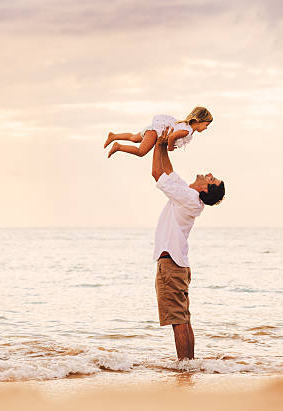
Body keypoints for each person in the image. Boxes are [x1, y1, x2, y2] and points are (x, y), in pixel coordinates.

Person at [151, 129, 225, 360]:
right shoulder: (188, 195)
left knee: (178, 320)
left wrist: (156, 139)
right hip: (177, 264)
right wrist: (163, 145)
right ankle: (188, 364)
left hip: (171, 265)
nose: (209, 174)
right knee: (183, 317)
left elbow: (156, 173)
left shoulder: (188, 198)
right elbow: (168, 172)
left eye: (212, 179)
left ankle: (185, 366)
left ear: (205, 188)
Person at [104, 107, 213, 158]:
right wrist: (170, 148)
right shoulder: (186, 131)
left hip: (153, 130)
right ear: (199, 121)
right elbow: (172, 137)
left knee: (134, 138)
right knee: (141, 152)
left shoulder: (186, 128)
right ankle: (118, 146)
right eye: (206, 125)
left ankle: (114, 136)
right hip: (155, 133)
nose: (206, 128)